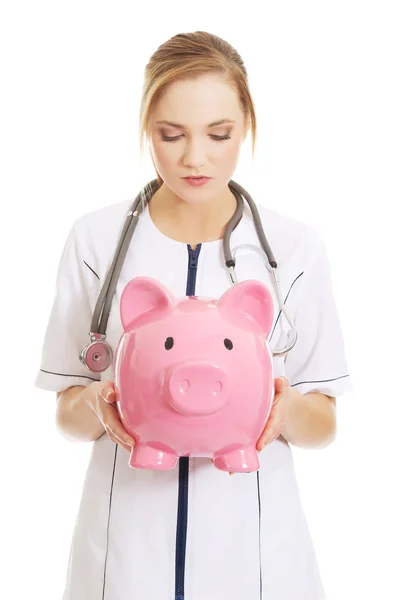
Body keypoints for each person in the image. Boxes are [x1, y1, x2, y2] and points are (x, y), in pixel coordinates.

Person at [35, 31, 352, 600]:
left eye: (219, 134)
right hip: (126, 554)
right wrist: (102, 405)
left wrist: (283, 412)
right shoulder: (96, 240)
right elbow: (66, 410)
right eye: (171, 135)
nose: (194, 157)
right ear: (145, 129)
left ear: (247, 126)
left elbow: (324, 423)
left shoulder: (293, 247)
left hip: (255, 557)